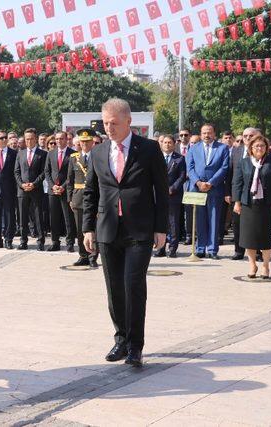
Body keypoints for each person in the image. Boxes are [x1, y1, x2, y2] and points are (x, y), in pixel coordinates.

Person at [83, 98, 168, 367]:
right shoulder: (98, 152)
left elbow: (162, 191)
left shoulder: (149, 149)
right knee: (114, 289)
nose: (109, 128)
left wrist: (161, 228)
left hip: (140, 229)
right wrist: (87, 228)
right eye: (105, 123)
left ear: (129, 122)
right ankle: (120, 339)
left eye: (114, 123)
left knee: (133, 286)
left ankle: (135, 345)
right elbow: (90, 193)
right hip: (108, 229)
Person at [233, 135, 271, 279]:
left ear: (266, 148)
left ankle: (266, 266)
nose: (259, 148)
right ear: (251, 149)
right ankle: (252, 264)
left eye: (262, 146)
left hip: (267, 204)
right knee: (249, 236)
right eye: (256, 146)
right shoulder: (244, 163)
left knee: (265, 235)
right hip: (248, 204)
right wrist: (237, 202)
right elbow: (237, 183)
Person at [186, 124, 230, 259]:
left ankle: (212, 249)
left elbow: (224, 168)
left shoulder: (222, 148)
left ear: (214, 134)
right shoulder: (193, 148)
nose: (206, 135)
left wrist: (211, 183)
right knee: (199, 219)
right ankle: (200, 248)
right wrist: (198, 183)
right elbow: (190, 167)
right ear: (200, 134)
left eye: (209, 133)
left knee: (214, 219)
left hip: (215, 188)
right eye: (204, 133)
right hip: (197, 189)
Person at [225, 127, 262, 260]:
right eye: (245, 136)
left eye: (250, 135)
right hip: (238, 194)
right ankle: (239, 251)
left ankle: (257, 251)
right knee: (237, 223)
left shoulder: (261, 151)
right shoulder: (236, 151)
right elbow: (230, 173)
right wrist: (228, 192)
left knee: (255, 223)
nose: (247, 138)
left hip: (256, 194)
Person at [67, 128, 98, 267]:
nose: (85, 144)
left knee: (93, 228)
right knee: (80, 229)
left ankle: (93, 256)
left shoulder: (98, 157)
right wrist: (70, 198)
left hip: (94, 198)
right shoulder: (74, 158)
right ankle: (83, 255)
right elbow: (70, 180)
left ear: (92, 142)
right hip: (78, 197)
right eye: (83, 142)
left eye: (88, 141)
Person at [14, 128, 47, 251]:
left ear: (36, 139)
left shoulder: (42, 154)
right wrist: (22, 184)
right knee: (22, 217)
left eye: (31, 139)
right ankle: (23, 241)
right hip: (22, 191)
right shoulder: (20, 153)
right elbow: (16, 171)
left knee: (38, 216)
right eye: (27, 139)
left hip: (36, 189)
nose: (29, 141)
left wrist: (34, 184)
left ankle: (40, 241)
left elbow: (44, 172)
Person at [44, 131, 76, 252]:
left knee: (68, 218)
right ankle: (55, 242)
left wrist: (63, 186)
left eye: (61, 139)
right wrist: (52, 186)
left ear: (66, 139)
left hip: (66, 190)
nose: (58, 141)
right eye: (57, 139)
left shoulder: (73, 154)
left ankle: (70, 243)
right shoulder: (51, 153)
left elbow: (72, 174)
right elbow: (47, 171)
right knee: (54, 217)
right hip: (53, 191)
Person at [155, 135, 186, 258]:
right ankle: (160, 248)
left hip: (173, 195)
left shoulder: (180, 159)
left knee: (173, 223)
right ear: (161, 144)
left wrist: (172, 188)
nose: (167, 145)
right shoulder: (156, 158)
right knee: (160, 222)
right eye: (165, 142)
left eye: (170, 143)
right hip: (158, 195)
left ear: (174, 144)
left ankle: (172, 249)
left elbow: (182, 176)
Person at [0, 130, 17, 249]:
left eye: (5, 138)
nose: (4, 140)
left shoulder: (14, 154)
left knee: (9, 215)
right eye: (1, 138)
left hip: (9, 188)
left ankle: (8, 239)